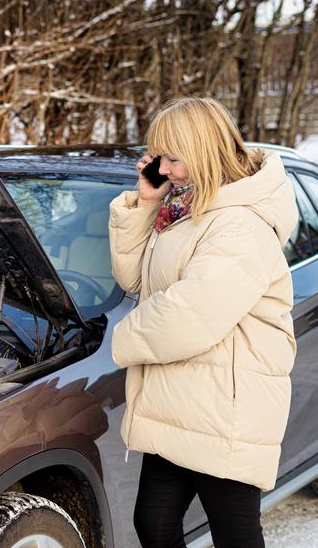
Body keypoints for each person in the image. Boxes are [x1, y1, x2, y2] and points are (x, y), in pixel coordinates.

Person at [107, 96, 298, 548]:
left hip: (226, 405)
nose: (164, 168)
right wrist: (147, 205)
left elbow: (188, 315)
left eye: (173, 158)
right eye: (160, 157)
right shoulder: (185, 208)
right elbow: (135, 279)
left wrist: (116, 340)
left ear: (204, 149)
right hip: (179, 397)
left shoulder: (239, 224)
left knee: (234, 535)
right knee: (154, 524)